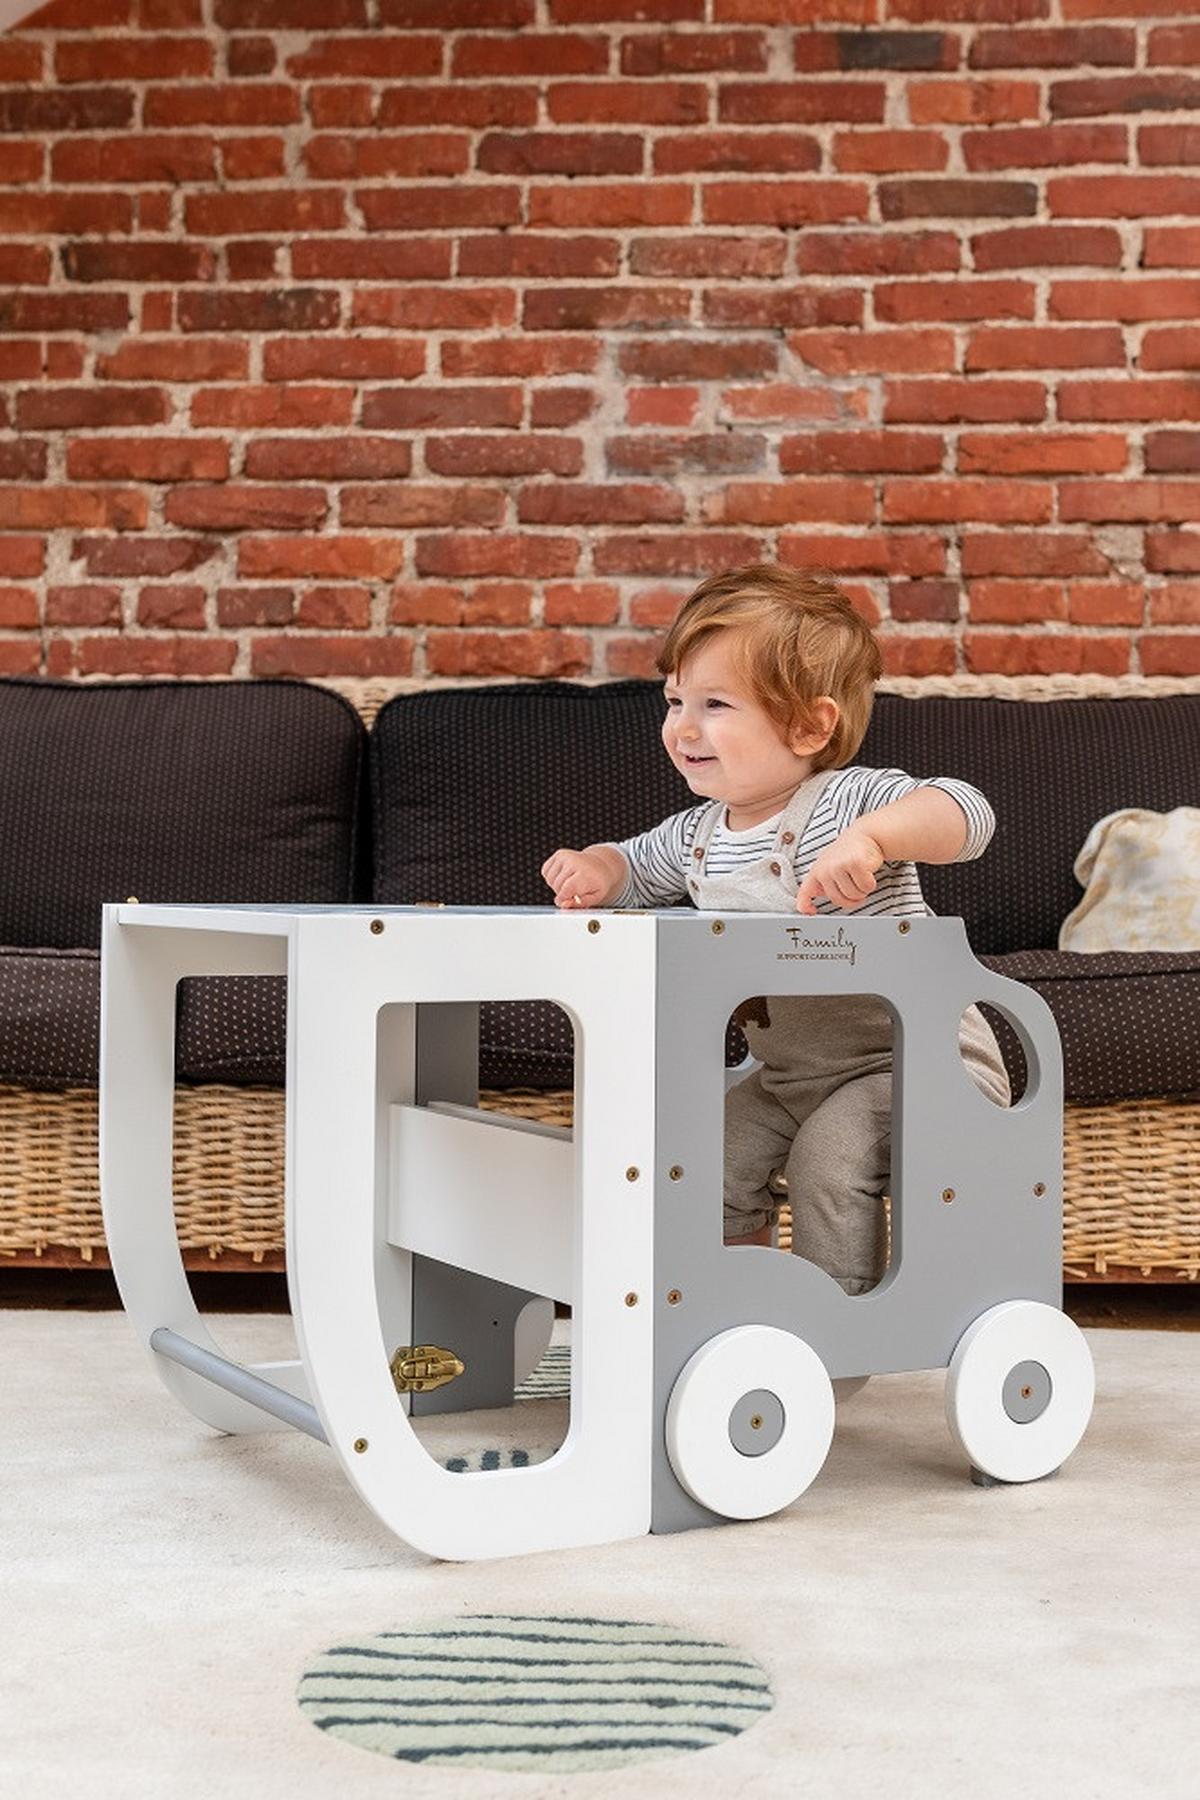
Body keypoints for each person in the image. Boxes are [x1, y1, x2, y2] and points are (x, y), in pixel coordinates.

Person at [541, 562, 1010, 1294]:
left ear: (808, 724)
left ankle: (836, 1323)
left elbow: (966, 812)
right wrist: (595, 869)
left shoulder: (842, 803)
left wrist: (875, 840)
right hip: (792, 1075)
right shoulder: (697, 833)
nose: (684, 726)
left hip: (912, 1068)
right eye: (674, 701)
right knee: (706, 1156)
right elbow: (633, 868)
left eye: (716, 704)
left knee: (829, 1156)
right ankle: (738, 1306)